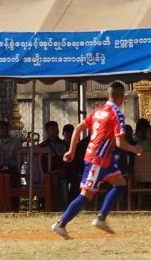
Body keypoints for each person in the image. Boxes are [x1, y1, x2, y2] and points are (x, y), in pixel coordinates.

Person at [53, 80, 143, 238]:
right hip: (98, 159)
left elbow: (78, 128)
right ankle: (61, 224)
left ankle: (101, 218)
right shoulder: (117, 114)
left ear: (108, 95)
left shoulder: (99, 111)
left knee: (120, 184)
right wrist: (135, 149)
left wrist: (72, 150)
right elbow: (120, 143)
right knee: (86, 195)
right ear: (122, 97)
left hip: (105, 159)